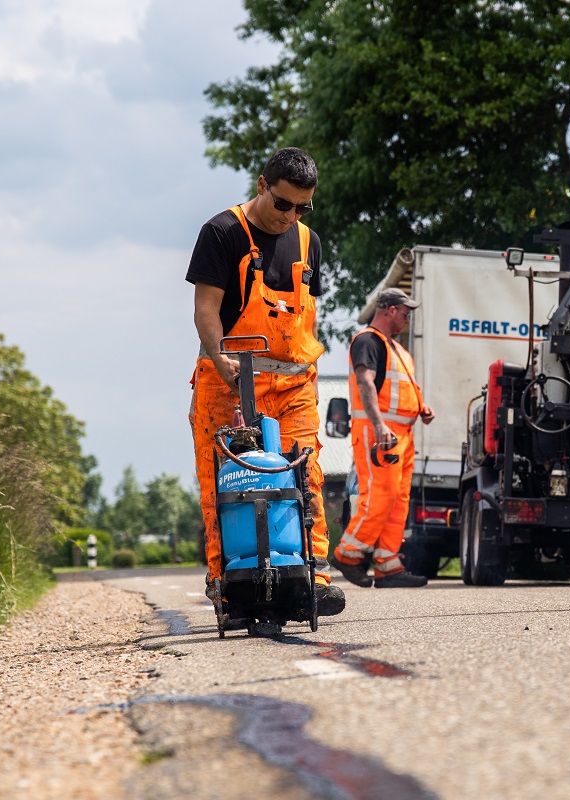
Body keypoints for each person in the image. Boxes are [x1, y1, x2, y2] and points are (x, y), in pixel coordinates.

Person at [185, 146, 344, 616]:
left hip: (294, 387)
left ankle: (311, 578)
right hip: (227, 382)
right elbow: (206, 311)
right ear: (262, 185)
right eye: (283, 204)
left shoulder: (308, 242)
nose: (290, 215)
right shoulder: (221, 233)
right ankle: (226, 583)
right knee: (222, 484)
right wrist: (220, 359)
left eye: (302, 207)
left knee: (304, 478)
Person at [330, 288, 435, 588]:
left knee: (398, 500)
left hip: (401, 435)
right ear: (389, 309)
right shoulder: (367, 341)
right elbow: (365, 382)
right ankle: (347, 553)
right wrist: (379, 426)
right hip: (379, 433)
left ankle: (388, 565)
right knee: (379, 497)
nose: (406, 318)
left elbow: (397, 389)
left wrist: (420, 408)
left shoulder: (398, 350)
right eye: (405, 312)